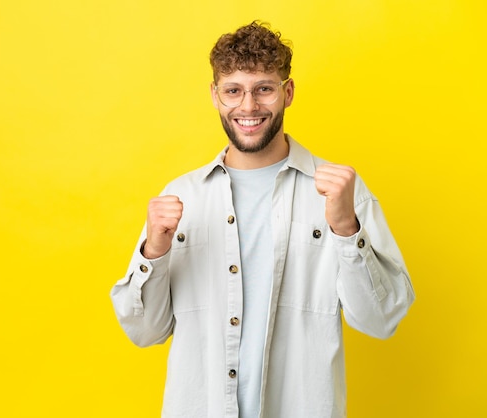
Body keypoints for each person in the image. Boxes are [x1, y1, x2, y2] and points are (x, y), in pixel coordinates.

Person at [110, 21, 415, 418]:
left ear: (287, 93)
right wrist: (155, 250)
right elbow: (144, 331)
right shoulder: (182, 196)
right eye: (233, 90)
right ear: (215, 96)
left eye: (263, 89)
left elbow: (382, 319)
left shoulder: (344, 193)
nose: (248, 106)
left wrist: (346, 229)